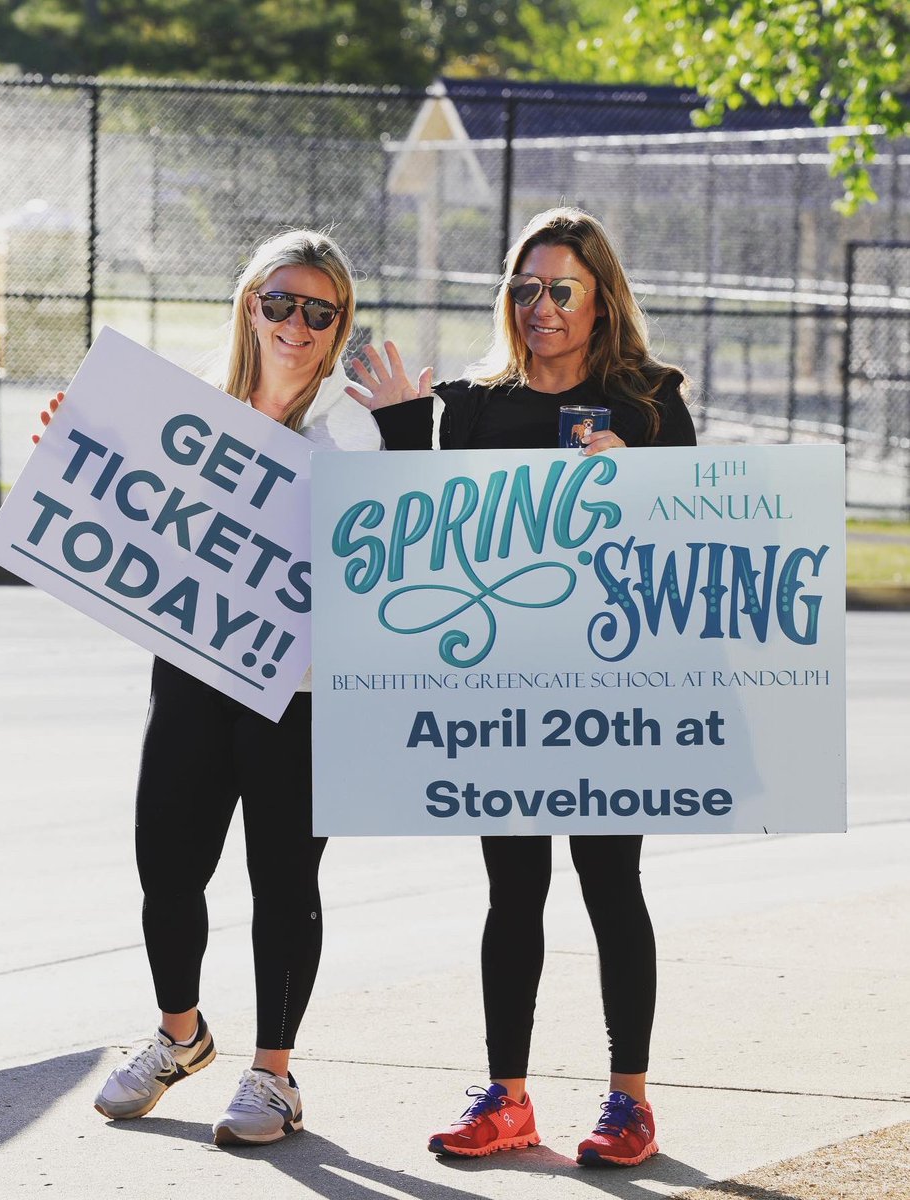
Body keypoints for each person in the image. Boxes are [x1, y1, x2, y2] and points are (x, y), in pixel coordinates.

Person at [346, 206, 696, 1168]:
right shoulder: (474, 405)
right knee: (513, 888)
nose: (539, 307)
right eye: (524, 288)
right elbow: (426, 534)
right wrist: (404, 435)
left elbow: (698, 541)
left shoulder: (651, 403)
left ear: (600, 299)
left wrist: (647, 486)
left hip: (611, 690)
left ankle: (629, 1103)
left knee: (610, 882)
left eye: (561, 290)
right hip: (499, 689)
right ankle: (507, 1097)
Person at [36, 230, 380, 1146]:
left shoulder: (349, 422)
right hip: (192, 669)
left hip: (300, 694)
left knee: (283, 879)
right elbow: (129, 505)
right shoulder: (187, 402)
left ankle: (273, 1076)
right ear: (248, 305)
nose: (296, 325)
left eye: (319, 310)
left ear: (339, 322)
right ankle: (180, 1036)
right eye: (279, 303)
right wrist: (72, 458)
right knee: (167, 865)